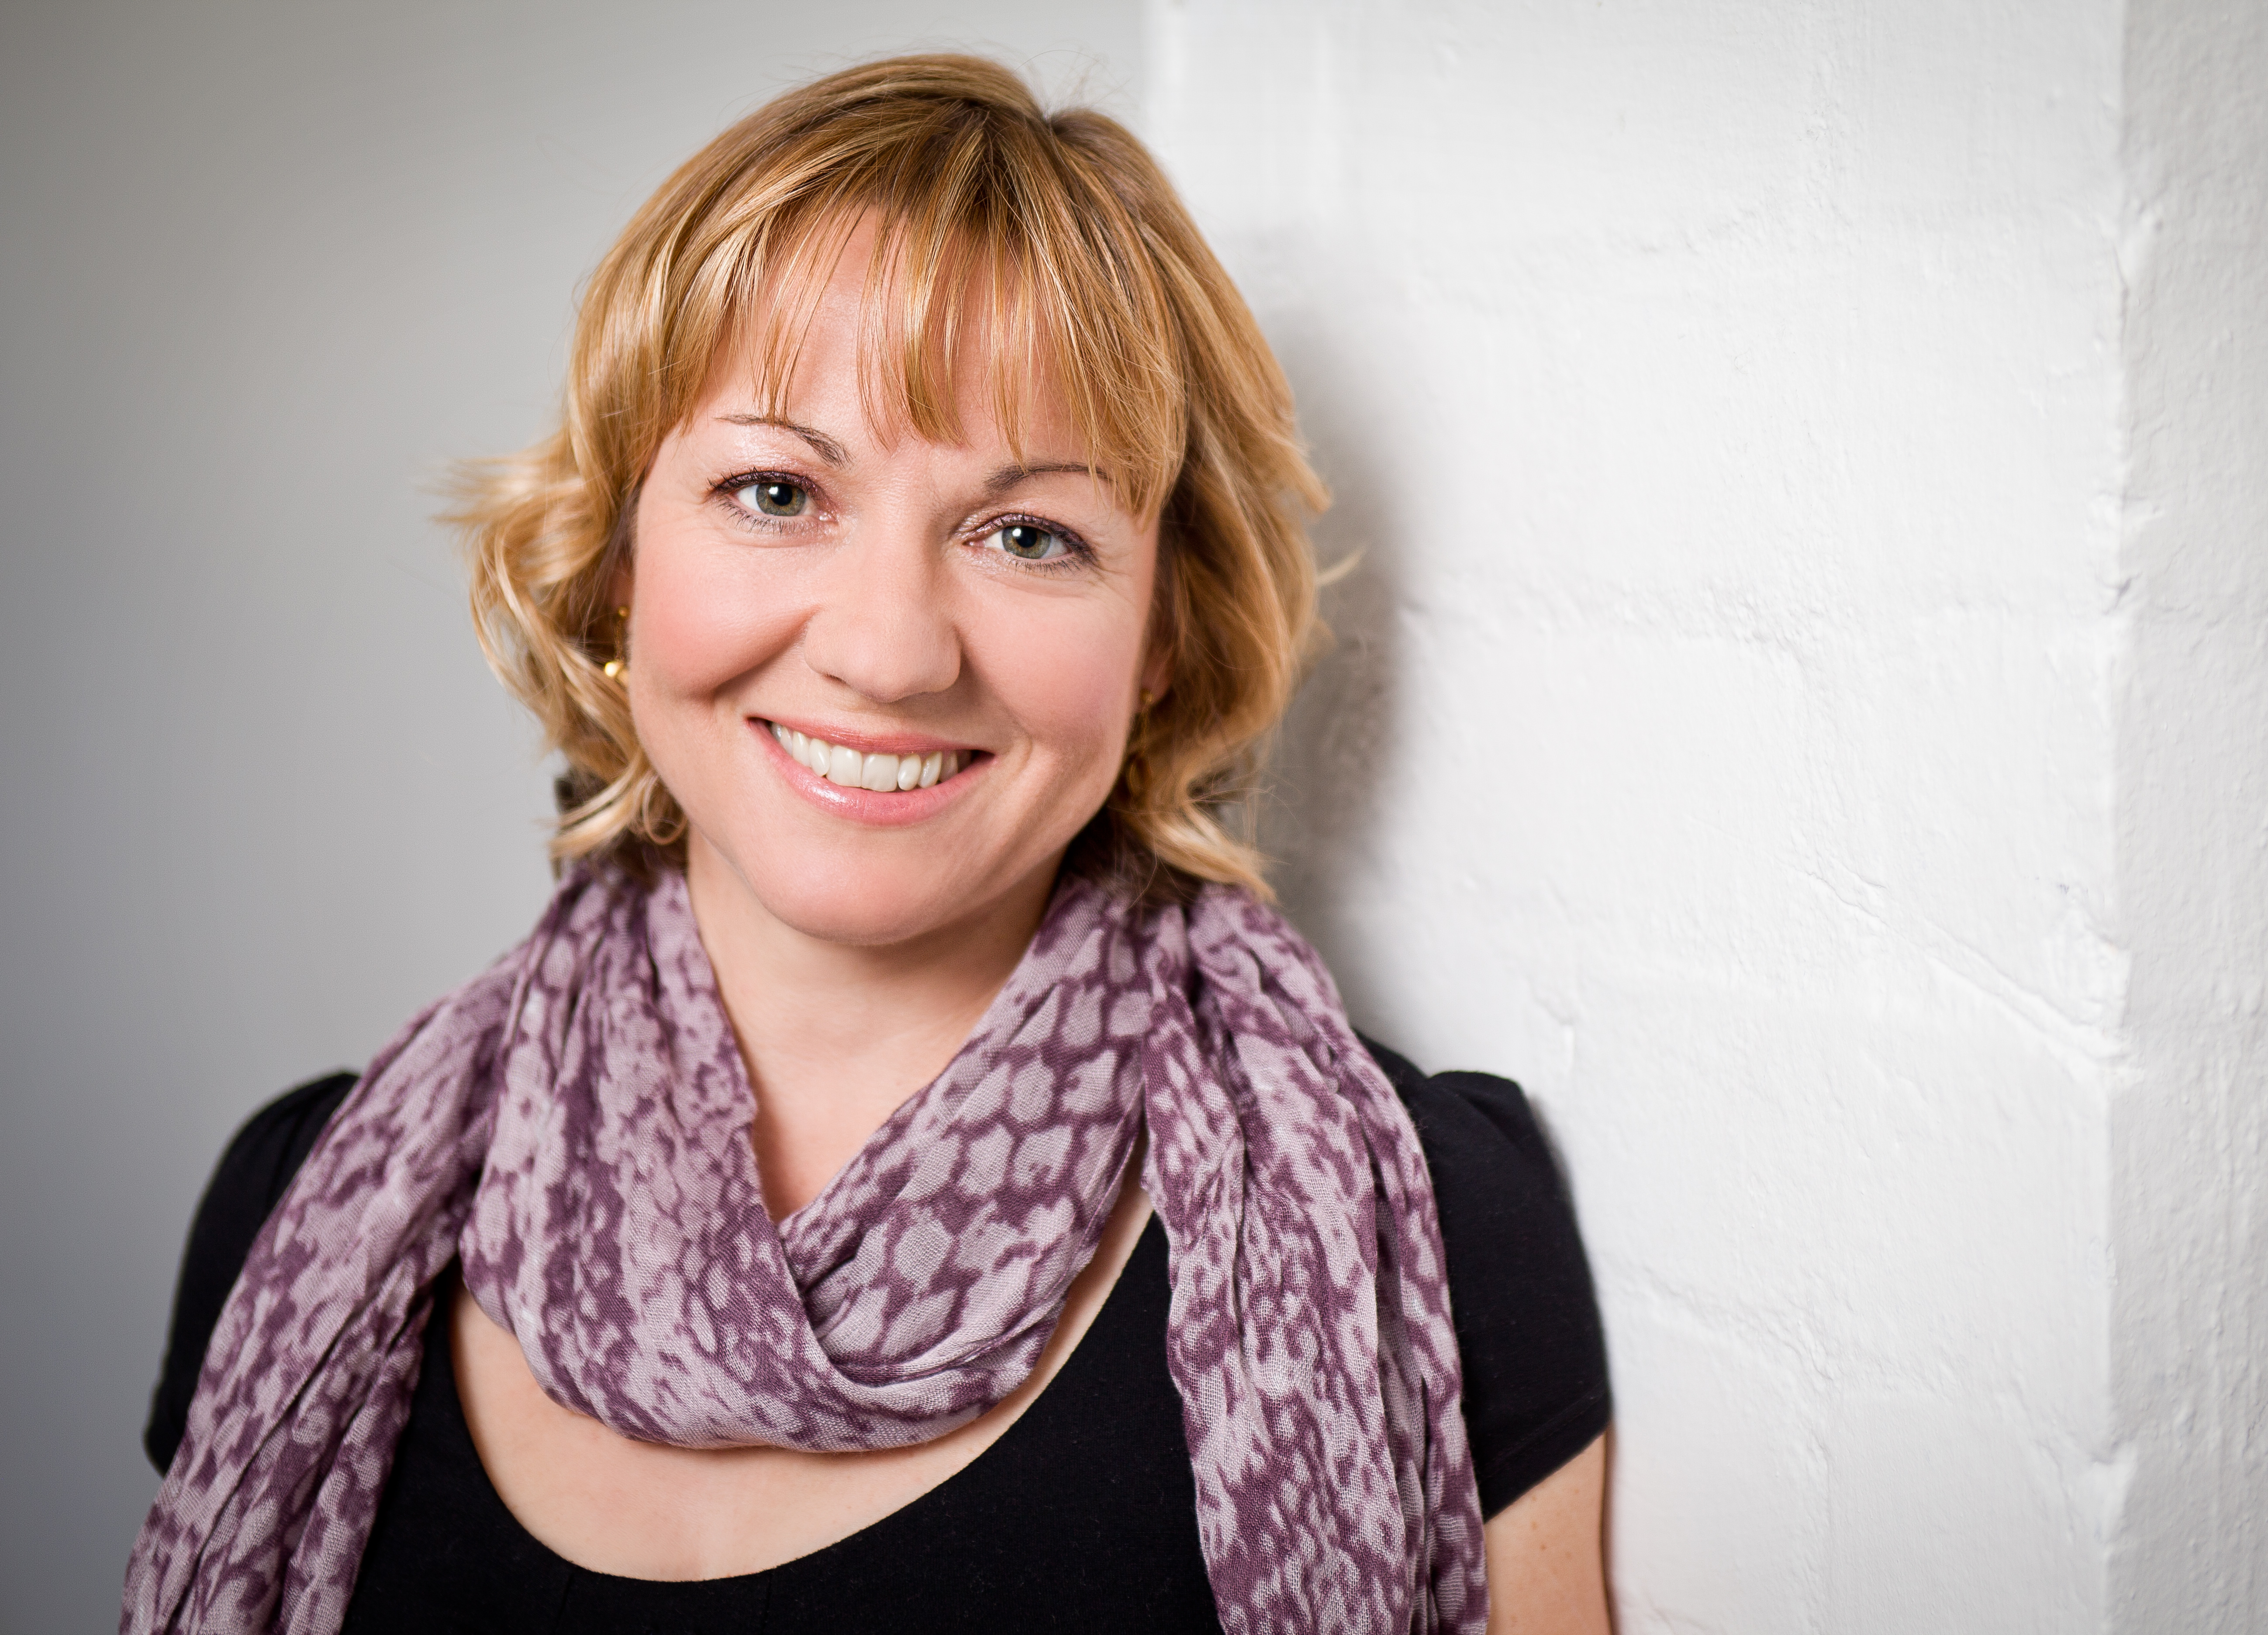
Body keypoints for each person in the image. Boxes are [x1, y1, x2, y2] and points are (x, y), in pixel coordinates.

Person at [126, 55, 1612, 1635]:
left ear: (1162, 633)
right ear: (620, 565)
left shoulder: (1413, 1232)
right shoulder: (303, 1208)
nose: (894, 652)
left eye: (1029, 533)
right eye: (777, 491)